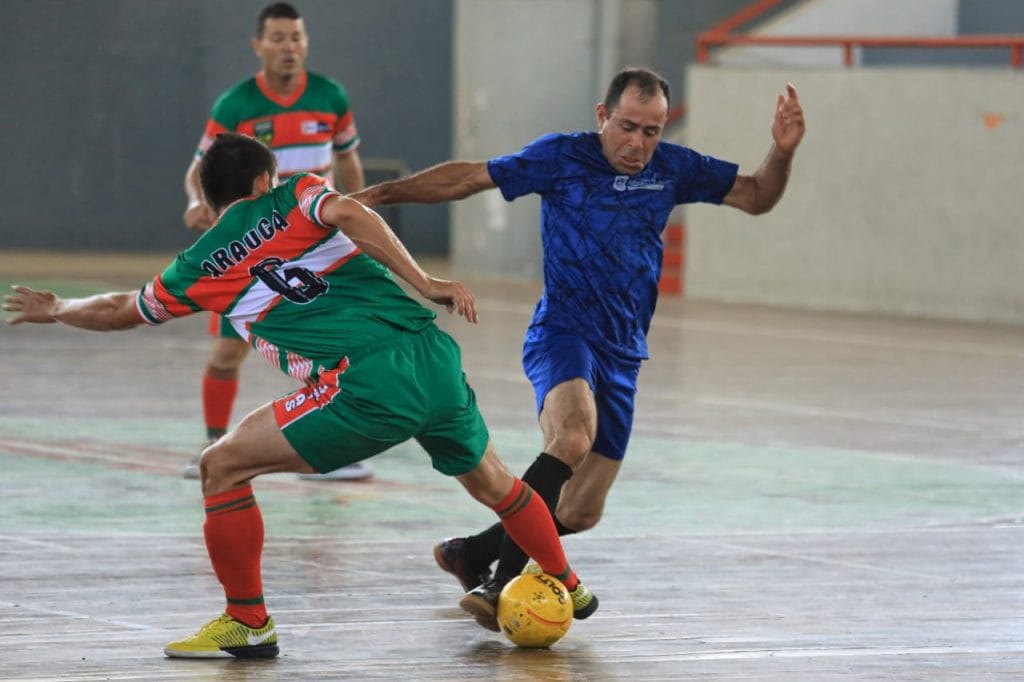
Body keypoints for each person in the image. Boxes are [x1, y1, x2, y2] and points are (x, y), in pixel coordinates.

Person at [3, 131, 598, 658]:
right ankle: (566, 580)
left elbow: (121, 310)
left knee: (221, 467)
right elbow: (349, 211)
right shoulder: (299, 194)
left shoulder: (200, 263)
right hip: (430, 355)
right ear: (265, 179)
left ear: (210, 202)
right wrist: (426, 282)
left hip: (363, 383)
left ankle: (247, 621)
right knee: (495, 483)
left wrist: (56, 308)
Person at [352, 66, 806, 618]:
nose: (638, 143)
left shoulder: (674, 167)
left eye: (652, 130)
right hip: (564, 331)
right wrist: (382, 194)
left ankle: (473, 552)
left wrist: (781, 152)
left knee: (583, 510)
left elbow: (757, 196)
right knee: (571, 437)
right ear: (602, 116)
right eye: (627, 126)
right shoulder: (561, 157)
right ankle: (498, 583)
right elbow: (470, 178)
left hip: (624, 351)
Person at [182, 1, 370, 481]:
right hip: (253, 248)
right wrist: (195, 201)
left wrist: (360, 207)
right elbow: (197, 170)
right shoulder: (236, 105)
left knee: (327, 347)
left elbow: (347, 162)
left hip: (313, 246)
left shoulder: (330, 96)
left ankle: (324, 451)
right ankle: (212, 445)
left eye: (297, 38)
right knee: (228, 353)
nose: (290, 47)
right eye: (279, 38)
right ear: (259, 45)